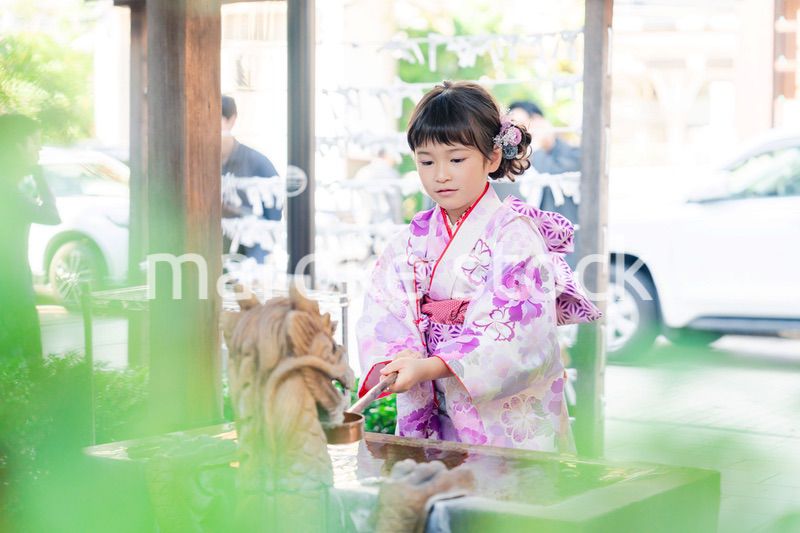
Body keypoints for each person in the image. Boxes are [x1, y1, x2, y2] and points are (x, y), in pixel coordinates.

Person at [356, 81, 601, 452]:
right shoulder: (408, 241)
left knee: (505, 501)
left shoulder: (515, 237)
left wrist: (434, 365)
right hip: (435, 402)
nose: (440, 174)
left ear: (492, 158)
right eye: (426, 161)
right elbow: (384, 309)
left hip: (502, 416)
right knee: (436, 494)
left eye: (456, 159)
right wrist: (402, 356)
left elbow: (520, 332)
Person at [0, 115, 61, 363]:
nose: (39, 149)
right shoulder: (6, 189)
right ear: (17, 146)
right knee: (24, 356)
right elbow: (51, 215)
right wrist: (40, 175)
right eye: (35, 141)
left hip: (12, 283)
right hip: (11, 286)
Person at [221, 95, 281, 262]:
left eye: (215, 120)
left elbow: (272, 223)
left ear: (231, 120)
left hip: (248, 263)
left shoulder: (259, 164)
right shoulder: (196, 164)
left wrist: (237, 212)